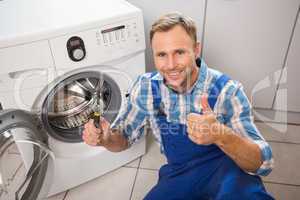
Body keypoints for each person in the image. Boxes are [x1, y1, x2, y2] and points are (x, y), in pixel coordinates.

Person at [82, 12, 274, 200]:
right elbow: (123, 139)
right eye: (162, 55)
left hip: (229, 173)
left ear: (196, 50)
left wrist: (220, 134)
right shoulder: (146, 88)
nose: (171, 65)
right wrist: (106, 139)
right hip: (180, 174)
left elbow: (263, 164)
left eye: (179, 52)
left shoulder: (227, 91)